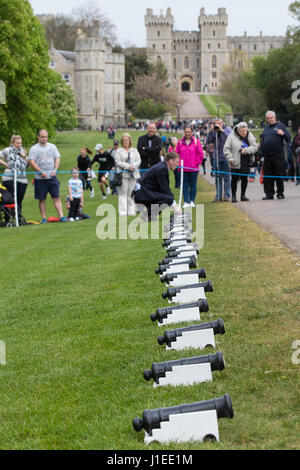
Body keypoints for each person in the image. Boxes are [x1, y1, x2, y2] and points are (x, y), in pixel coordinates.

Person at [28, 129, 67, 223]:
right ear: (38, 137)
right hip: (40, 179)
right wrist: (40, 171)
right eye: (42, 137)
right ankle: (44, 218)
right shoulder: (34, 149)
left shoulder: (52, 147)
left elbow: (57, 158)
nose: (44, 138)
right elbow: (32, 162)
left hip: (52, 177)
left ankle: (61, 216)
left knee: (56, 197)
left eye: (45, 137)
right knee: (42, 199)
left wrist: (55, 169)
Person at [133, 152, 181, 222]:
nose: (178, 164)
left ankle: (148, 214)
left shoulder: (162, 166)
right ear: (170, 161)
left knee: (166, 197)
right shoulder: (162, 169)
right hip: (141, 194)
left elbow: (163, 189)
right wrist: (175, 207)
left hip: (143, 192)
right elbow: (165, 189)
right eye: (176, 162)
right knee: (168, 199)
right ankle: (145, 213)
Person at [261, 111, 291, 200]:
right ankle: (269, 194)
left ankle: (280, 193)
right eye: (268, 118)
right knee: (267, 176)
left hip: (277, 155)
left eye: (271, 118)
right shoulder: (266, 128)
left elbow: (288, 138)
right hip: (267, 156)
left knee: (279, 174)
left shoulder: (280, 126)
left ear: (275, 118)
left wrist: (283, 134)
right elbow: (263, 141)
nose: (270, 120)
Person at [224, 122, 258, 203]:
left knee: (244, 178)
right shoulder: (231, 137)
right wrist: (230, 158)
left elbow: (254, 147)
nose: (244, 133)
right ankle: (234, 196)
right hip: (235, 161)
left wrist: (246, 150)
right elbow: (226, 149)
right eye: (242, 131)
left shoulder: (249, 135)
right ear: (238, 131)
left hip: (246, 160)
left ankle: (243, 195)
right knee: (234, 179)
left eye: (245, 131)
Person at [0, 135, 28, 221]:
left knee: (19, 199)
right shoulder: (7, 150)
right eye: (17, 143)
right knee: (11, 199)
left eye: (20, 143)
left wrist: (24, 156)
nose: (19, 145)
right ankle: (8, 218)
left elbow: (27, 164)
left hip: (22, 178)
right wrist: (5, 164)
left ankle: (18, 217)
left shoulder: (23, 152)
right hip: (9, 178)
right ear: (13, 143)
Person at [175, 126, 204, 208]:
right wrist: (178, 163)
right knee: (184, 185)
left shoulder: (196, 142)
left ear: (192, 132)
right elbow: (176, 154)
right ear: (184, 132)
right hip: (183, 168)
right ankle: (186, 201)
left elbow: (200, 154)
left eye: (189, 131)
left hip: (193, 169)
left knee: (193, 185)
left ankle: (192, 201)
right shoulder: (180, 142)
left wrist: (196, 163)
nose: (187, 133)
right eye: (186, 131)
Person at [114, 133, 141, 216]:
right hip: (123, 175)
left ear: (130, 141)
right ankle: (123, 212)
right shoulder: (119, 151)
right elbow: (117, 162)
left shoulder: (134, 150)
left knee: (131, 193)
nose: (126, 141)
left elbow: (138, 160)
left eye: (127, 140)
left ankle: (131, 211)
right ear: (122, 141)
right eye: (124, 140)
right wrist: (128, 166)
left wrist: (134, 166)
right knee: (123, 193)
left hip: (133, 175)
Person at [205, 119, 231, 203]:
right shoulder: (213, 132)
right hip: (216, 157)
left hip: (226, 157)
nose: (217, 125)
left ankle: (226, 195)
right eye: (216, 124)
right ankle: (218, 196)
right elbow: (208, 142)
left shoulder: (227, 130)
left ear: (222, 123)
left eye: (219, 124)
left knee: (226, 178)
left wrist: (221, 130)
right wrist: (211, 131)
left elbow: (229, 139)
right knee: (217, 178)